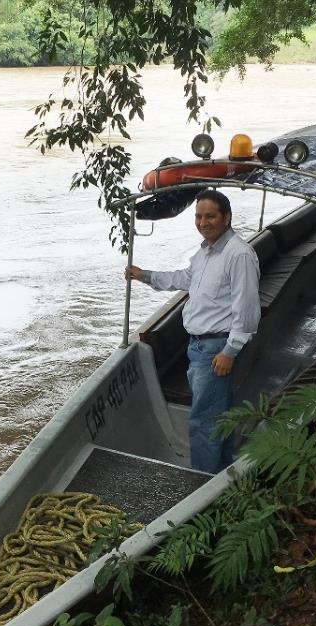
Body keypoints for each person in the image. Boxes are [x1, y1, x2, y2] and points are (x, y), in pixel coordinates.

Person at [126, 189, 260, 473]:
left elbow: (247, 309)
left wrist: (230, 351)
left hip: (215, 349)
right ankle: (220, 474)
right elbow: (183, 279)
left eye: (210, 216)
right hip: (199, 346)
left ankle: (200, 482)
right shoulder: (205, 252)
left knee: (204, 421)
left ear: (227, 218)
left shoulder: (239, 254)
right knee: (215, 416)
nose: (203, 222)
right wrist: (145, 276)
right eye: (198, 216)